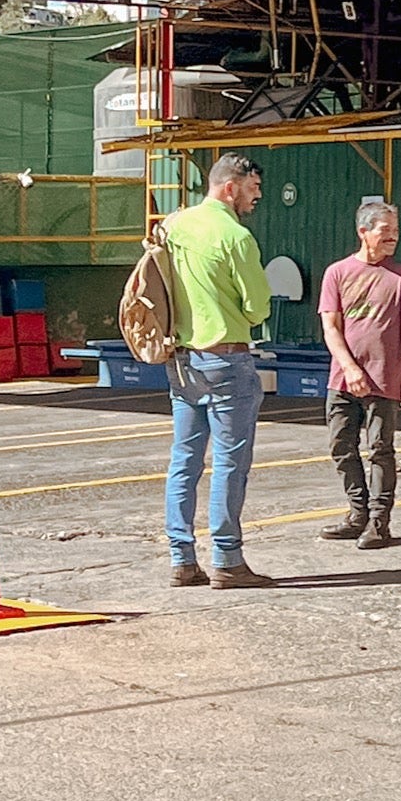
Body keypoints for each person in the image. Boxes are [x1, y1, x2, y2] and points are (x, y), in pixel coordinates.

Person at [161, 152, 277, 591]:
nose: (257, 197)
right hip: (228, 358)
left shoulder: (174, 226)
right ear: (231, 187)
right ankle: (227, 559)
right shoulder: (237, 236)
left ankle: (181, 559)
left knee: (184, 458)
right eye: (253, 189)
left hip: (183, 358)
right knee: (230, 462)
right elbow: (257, 306)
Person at [317, 196, 401, 551]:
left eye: (395, 231)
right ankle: (357, 513)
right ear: (363, 232)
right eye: (385, 230)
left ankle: (380, 522)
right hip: (343, 379)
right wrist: (350, 368)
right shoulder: (337, 273)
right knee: (341, 446)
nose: (392, 237)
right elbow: (331, 328)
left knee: (381, 448)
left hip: (386, 378)